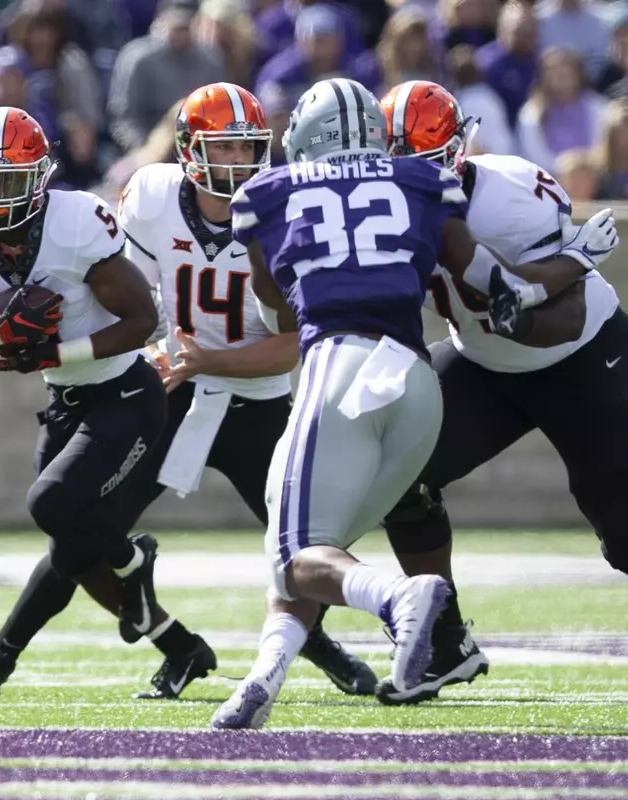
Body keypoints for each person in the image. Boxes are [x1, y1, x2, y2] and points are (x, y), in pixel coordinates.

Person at [0, 83, 377, 702]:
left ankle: (318, 643)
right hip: (170, 393)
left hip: (256, 400)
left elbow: (295, 345)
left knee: (302, 541)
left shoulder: (282, 208)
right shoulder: (152, 196)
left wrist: (211, 359)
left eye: (247, 148)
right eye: (222, 147)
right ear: (188, 148)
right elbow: (128, 303)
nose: (236, 161)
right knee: (80, 532)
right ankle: (6, 652)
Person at [376, 81, 628, 726]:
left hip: (581, 357)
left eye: (428, 164)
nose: (415, 181)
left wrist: (520, 316)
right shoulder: (376, 207)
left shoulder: (510, 196)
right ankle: (444, 639)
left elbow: (568, 315)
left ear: (458, 151)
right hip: (484, 359)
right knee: (395, 472)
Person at [209, 77, 533, 730]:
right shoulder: (421, 179)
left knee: (294, 553)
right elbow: (473, 266)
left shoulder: (266, 193)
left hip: (341, 367)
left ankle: (398, 597)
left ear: (305, 139)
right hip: (416, 381)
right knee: (310, 548)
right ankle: (262, 679)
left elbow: (275, 305)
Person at [0, 106, 178, 680]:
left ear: (40, 177)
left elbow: (145, 321)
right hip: (66, 401)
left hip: (124, 390)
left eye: (10, 180)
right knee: (72, 548)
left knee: (52, 504)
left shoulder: (76, 221)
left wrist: (55, 354)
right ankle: (179, 645)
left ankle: (4, 654)